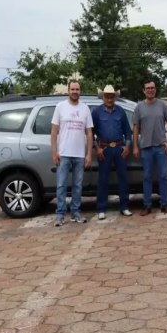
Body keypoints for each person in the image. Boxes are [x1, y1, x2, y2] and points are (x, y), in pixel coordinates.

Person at [50, 81, 94, 226]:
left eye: (77, 89)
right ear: (68, 90)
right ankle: (60, 214)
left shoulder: (85, 108)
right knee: (61, 185)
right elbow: (54, 131)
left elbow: (89, 133)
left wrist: (88, 154)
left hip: (80, 154)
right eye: (73, 89)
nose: (75, 91)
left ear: (80, 91)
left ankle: (75, 212)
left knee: (77, 185)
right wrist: (54, 152)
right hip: (63, 154)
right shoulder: (60, 107)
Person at [133, 80, 167, 215]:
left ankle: (165, 203)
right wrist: (135, 146)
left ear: (155, 90)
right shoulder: (139, 107)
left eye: (152, 88)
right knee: (147, 177)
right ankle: (147, 205)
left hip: (161, 147)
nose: (150, 90)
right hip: (146, 147)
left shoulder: (162, 105)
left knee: (163, 176)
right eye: (147, 88)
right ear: (143, 91)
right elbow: (136, 127)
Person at [92, 85, 133, 219]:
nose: (109, 99)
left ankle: (124, 207)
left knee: (123, 178)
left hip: (119, 149)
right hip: (104, 149)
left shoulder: (120, 111)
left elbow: (127, 131)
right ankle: (101, 208)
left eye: (111, 96)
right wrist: (96, 148)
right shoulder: (96, 112)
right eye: (107, 96)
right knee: (103, 179)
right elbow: (90, 133)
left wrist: (127, 147)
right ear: (103, 97)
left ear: (115, 97)